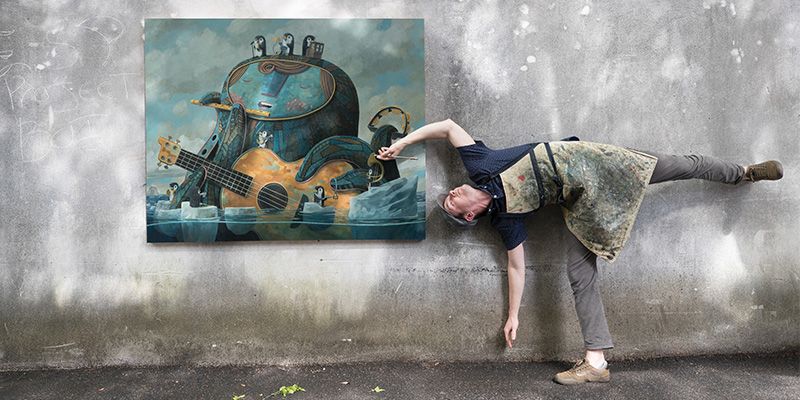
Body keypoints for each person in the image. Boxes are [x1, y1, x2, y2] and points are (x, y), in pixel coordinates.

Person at [377, 119, 783, 385]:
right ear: (469, 216)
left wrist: (402, 142)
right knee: (578, 272)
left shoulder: (480, 164)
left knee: (681, 164)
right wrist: (513, 315)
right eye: (451, 204)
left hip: (599, 162)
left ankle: (743, 173)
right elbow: (516, 267)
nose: (451, 193)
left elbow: (448, 127)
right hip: (585, 202)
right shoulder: (506, 220)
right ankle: (596, 363)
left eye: (449, 194)